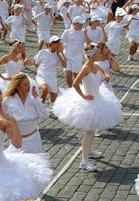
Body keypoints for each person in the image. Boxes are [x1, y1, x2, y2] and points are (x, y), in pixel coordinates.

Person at [53, 43, 123, 172]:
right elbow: (75, 83)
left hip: (98, 98)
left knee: (92, 129)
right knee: (89, 131)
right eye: (97, 54)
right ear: (92, 56)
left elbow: (102, 72)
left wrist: (106, 76)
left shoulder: (95, 65)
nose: (100, 55)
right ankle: (84, 162)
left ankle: (89, 152)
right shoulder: (86, 67)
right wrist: (84, 96)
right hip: (89, 102)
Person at [34, 36, 67, 104]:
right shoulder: (43, 52)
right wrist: (40, 71)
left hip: (52, 78)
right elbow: (35, 62)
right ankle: (40, 108)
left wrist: (59, 53)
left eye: (58, 42)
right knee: (45, 89)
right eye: (55, 42)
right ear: (50, 44)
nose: (57, 44)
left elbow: (65, 65)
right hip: (41, 76)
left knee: (54, 101)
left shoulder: (59, 55)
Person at [61, 16, 86, 88]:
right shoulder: (67, 31)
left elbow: (89, 42)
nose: (82, 25)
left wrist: (86, 33)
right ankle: (70, 90)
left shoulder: (83, 32)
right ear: (75, 23)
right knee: (68, 74)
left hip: (78, 58)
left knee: (77, 76)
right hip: (67, 56)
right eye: (80, 24)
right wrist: (62, 55)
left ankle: (80, 90)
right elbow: (60, 43)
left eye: (82, 24)